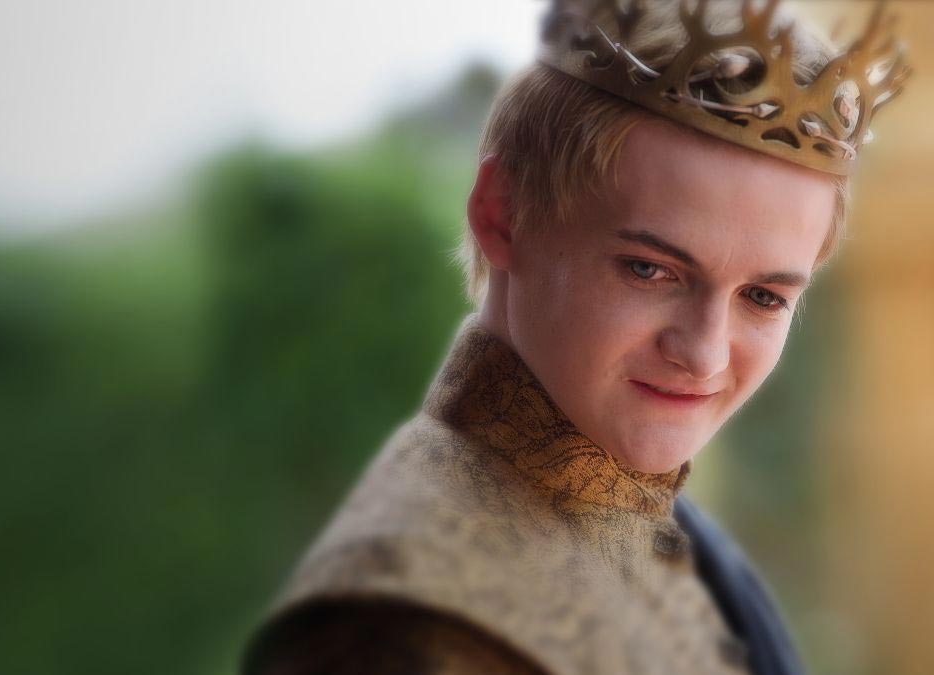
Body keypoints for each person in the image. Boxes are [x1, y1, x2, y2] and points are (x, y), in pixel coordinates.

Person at [241, 0, 909, 673]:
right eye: (649, 269)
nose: (704, 355)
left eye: (763, 297)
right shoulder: (395, 629)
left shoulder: (687, 554)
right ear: (502, 214)